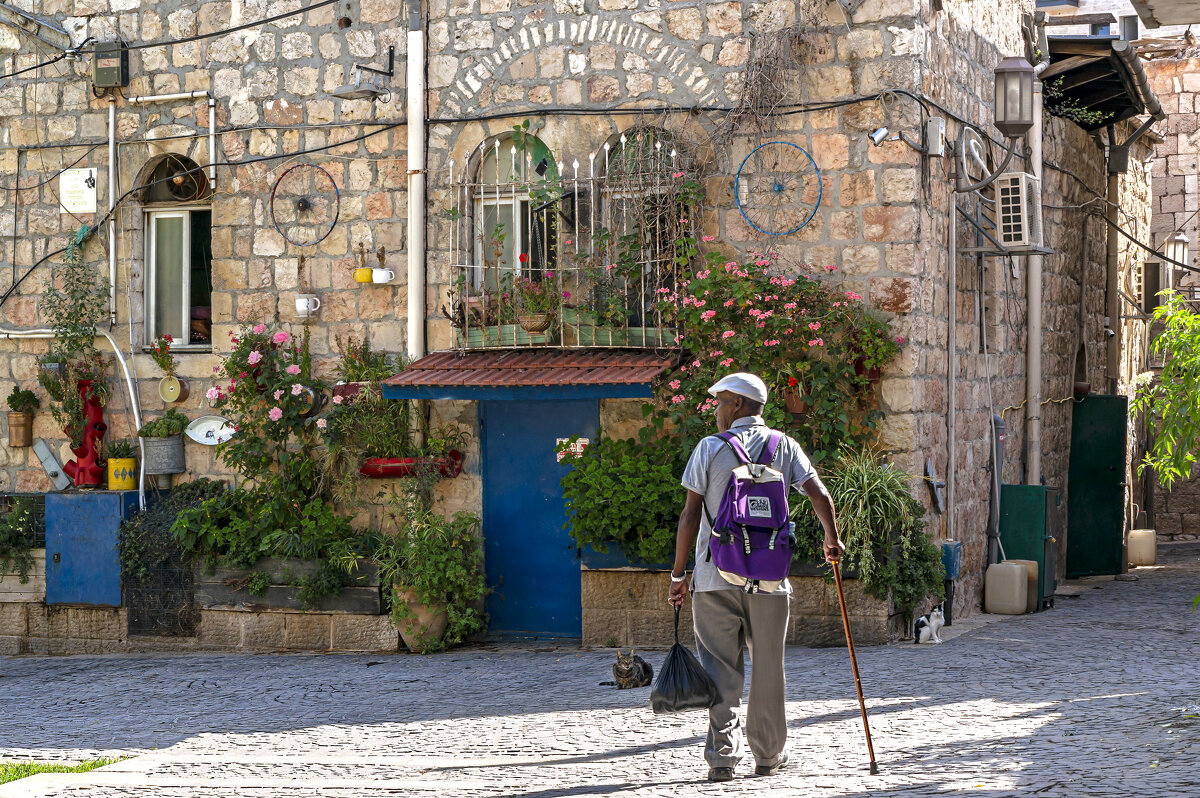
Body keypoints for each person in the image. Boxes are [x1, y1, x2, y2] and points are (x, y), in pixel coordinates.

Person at [668, 372, 844, 783]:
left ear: (738, 405)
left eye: (721, 402)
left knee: (718, 670)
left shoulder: (710, 449)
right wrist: (831, 540)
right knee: (769, 668)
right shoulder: (785, 446)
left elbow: (690, 514)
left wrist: (679, 574)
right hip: (770, 579)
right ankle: (767, 756)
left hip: (714, 578)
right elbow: (820, 495)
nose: (716, 410)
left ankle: (722, 760)